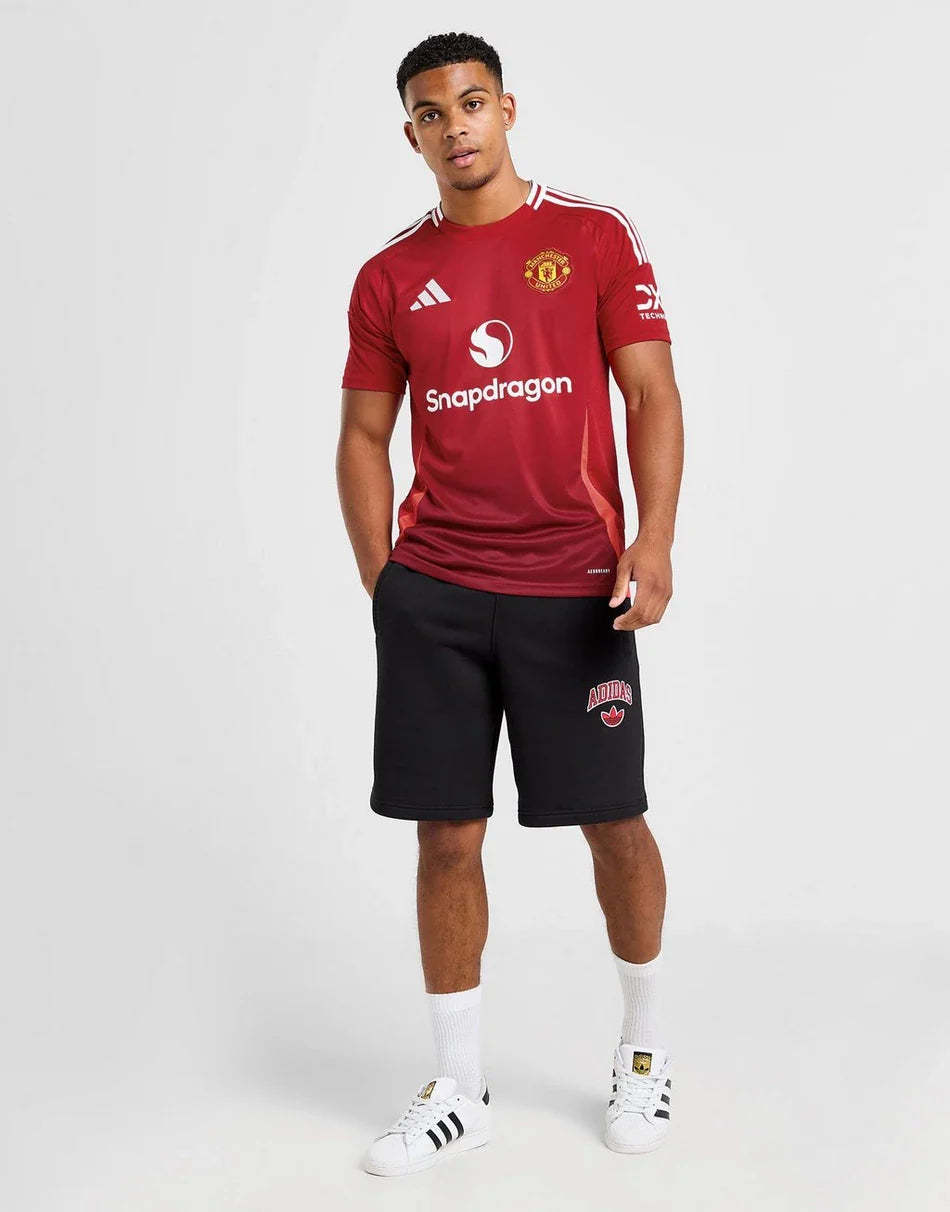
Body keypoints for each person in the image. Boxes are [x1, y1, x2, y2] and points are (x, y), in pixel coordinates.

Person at [335, 30, 684, 1177]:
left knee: (612, 819)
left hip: (572, 587)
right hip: (436, 594)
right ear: (410, 135)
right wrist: (385, 581)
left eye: (472, 103)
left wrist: (652, 539)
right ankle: (457, 1086)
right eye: (431, 113)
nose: (456, 127)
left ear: (507, 109)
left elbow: (648, 392)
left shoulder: (590, 236)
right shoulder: (390, 276)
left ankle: (643, 1050)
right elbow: (362, 435)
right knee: (445, 835)